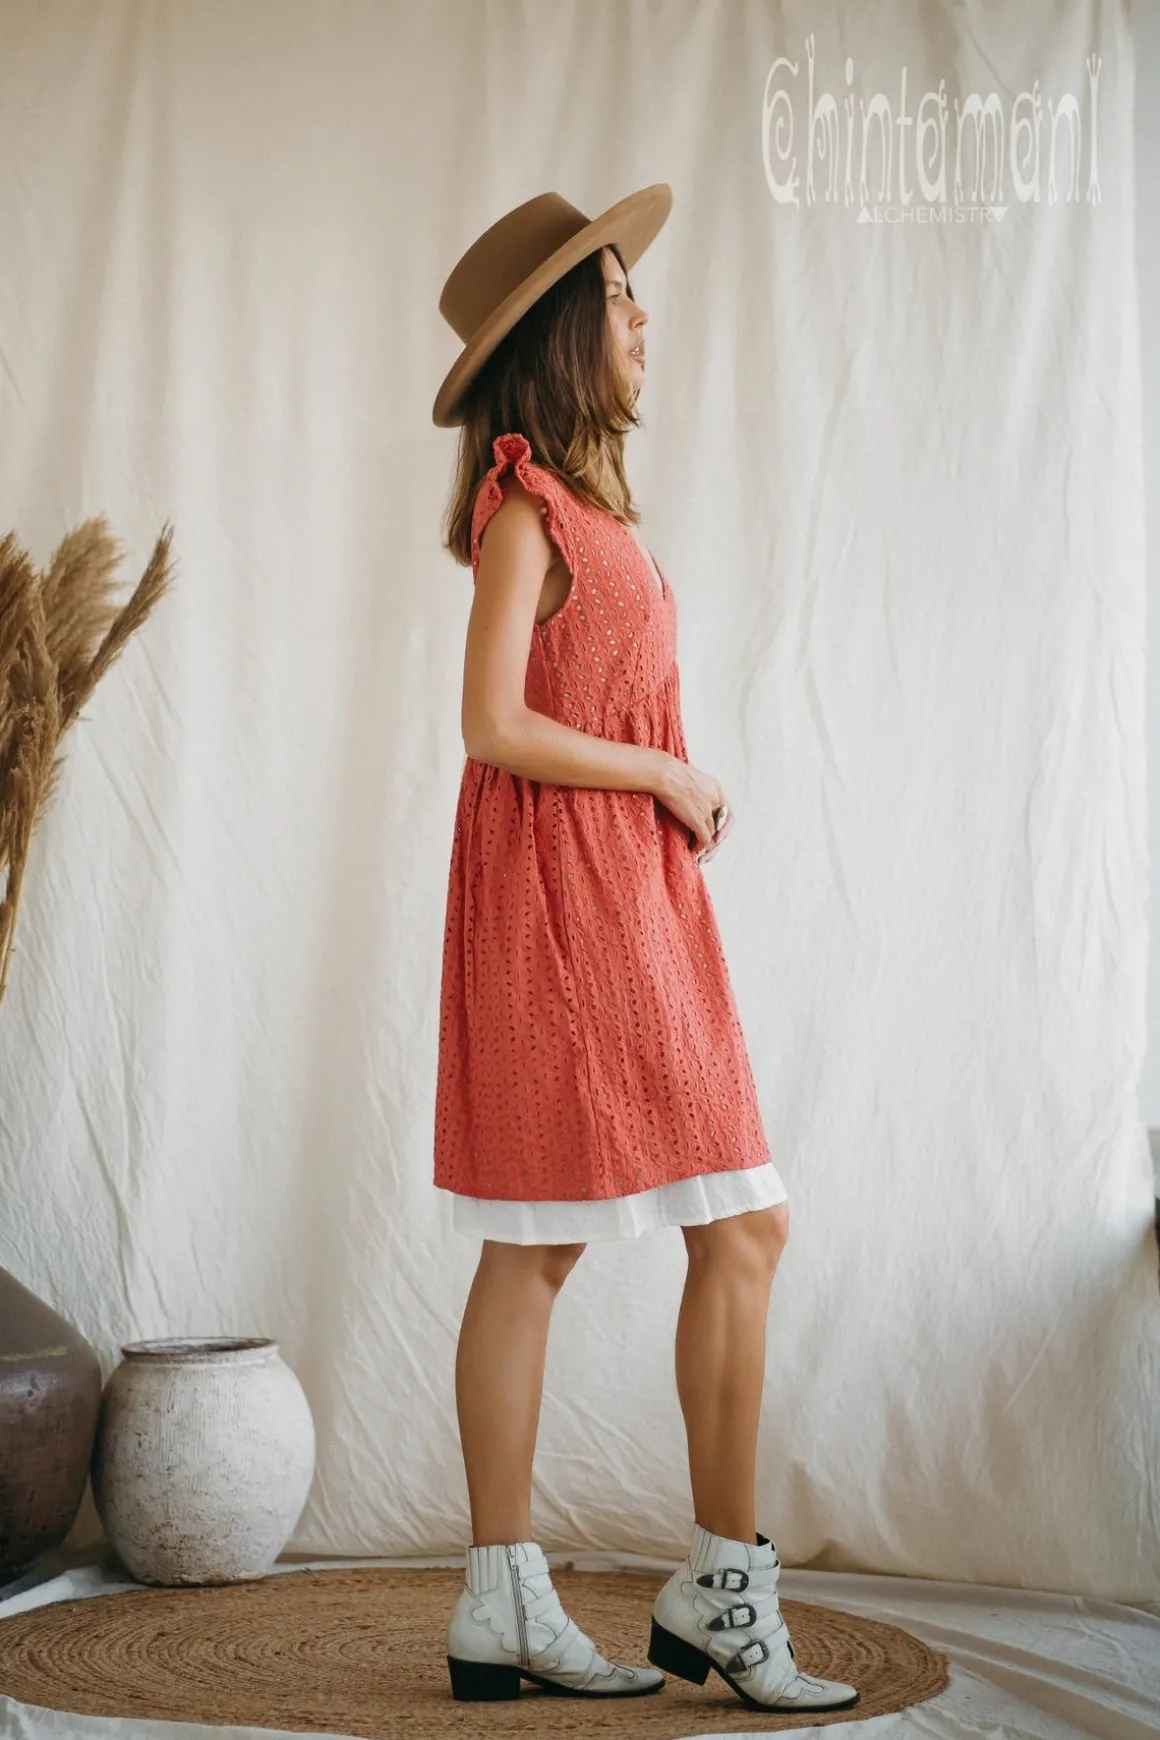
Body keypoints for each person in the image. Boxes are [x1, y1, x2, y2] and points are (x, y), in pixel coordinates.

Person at [429, 183, 858, 1716]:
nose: (643, 317)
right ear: (563, 331)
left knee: (711, 1229)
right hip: (566, 912)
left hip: (632, 906)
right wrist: (667, 774)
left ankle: (664, 1592)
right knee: (571, 1237)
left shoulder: (594, 512)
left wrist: (669, 790)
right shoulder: (526, 509)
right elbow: (489, 721)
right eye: (618, 296)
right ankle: (621, 1595)